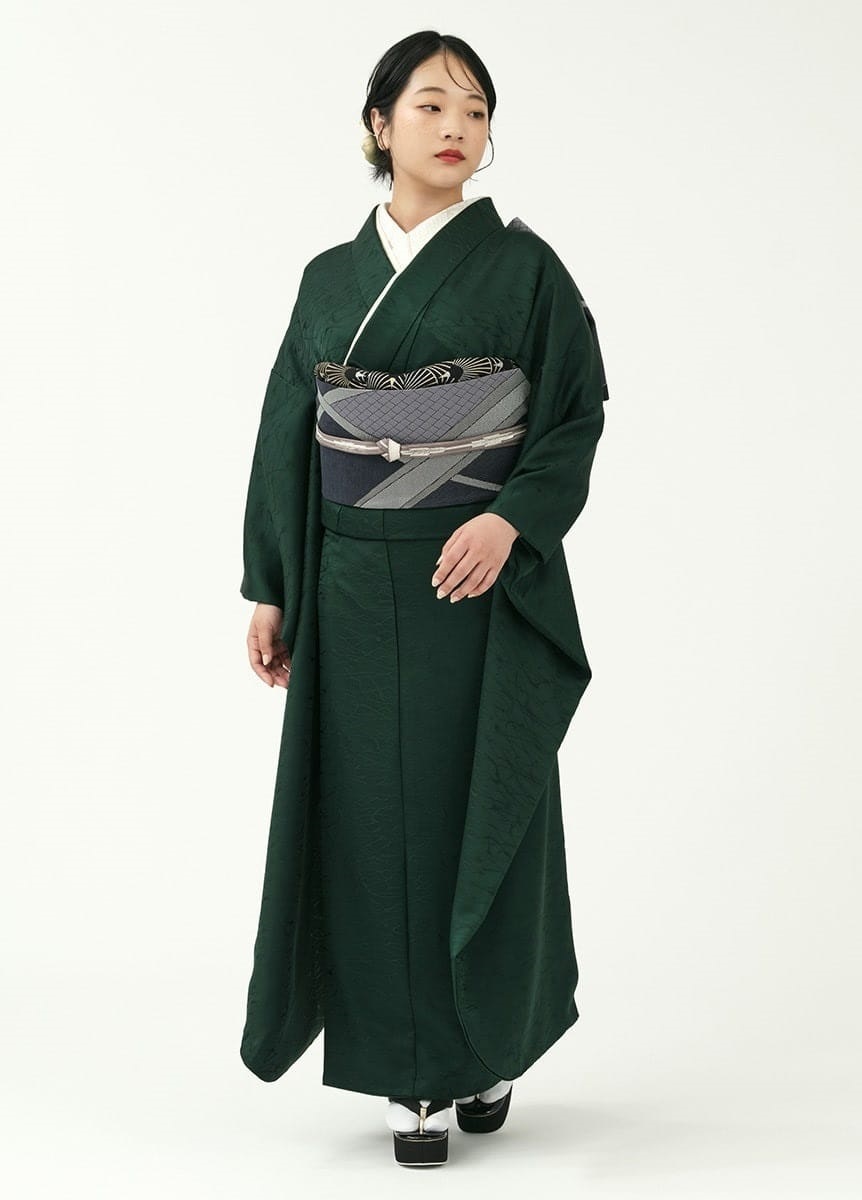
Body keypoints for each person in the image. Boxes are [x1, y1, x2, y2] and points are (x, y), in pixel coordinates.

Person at [238, 30, 609, 1168]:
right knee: (371, 829)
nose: (457, 127)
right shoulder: (328, 282)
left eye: (476, 110)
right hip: (354, 589)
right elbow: (287, 436)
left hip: (474, 585)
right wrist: (271, 585)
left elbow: (574, 411)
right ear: (379, 124)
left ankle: (487, 1047)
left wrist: (511, 519)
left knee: (479, 808)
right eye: (432, 104)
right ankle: (410, 1076)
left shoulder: (526, 271)